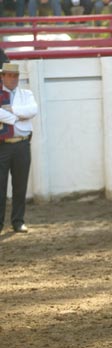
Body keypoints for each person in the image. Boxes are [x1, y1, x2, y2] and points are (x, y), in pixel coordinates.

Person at [0, 62, 38, 234]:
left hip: (22, 143)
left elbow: (33, 110)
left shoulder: (26, 93)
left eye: (15, 76)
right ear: (2, 76)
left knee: (20, 185)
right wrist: (17, 116)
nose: (13, 79)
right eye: (9, 75)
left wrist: (11, 110)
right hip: (2, 145)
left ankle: (18, 221)